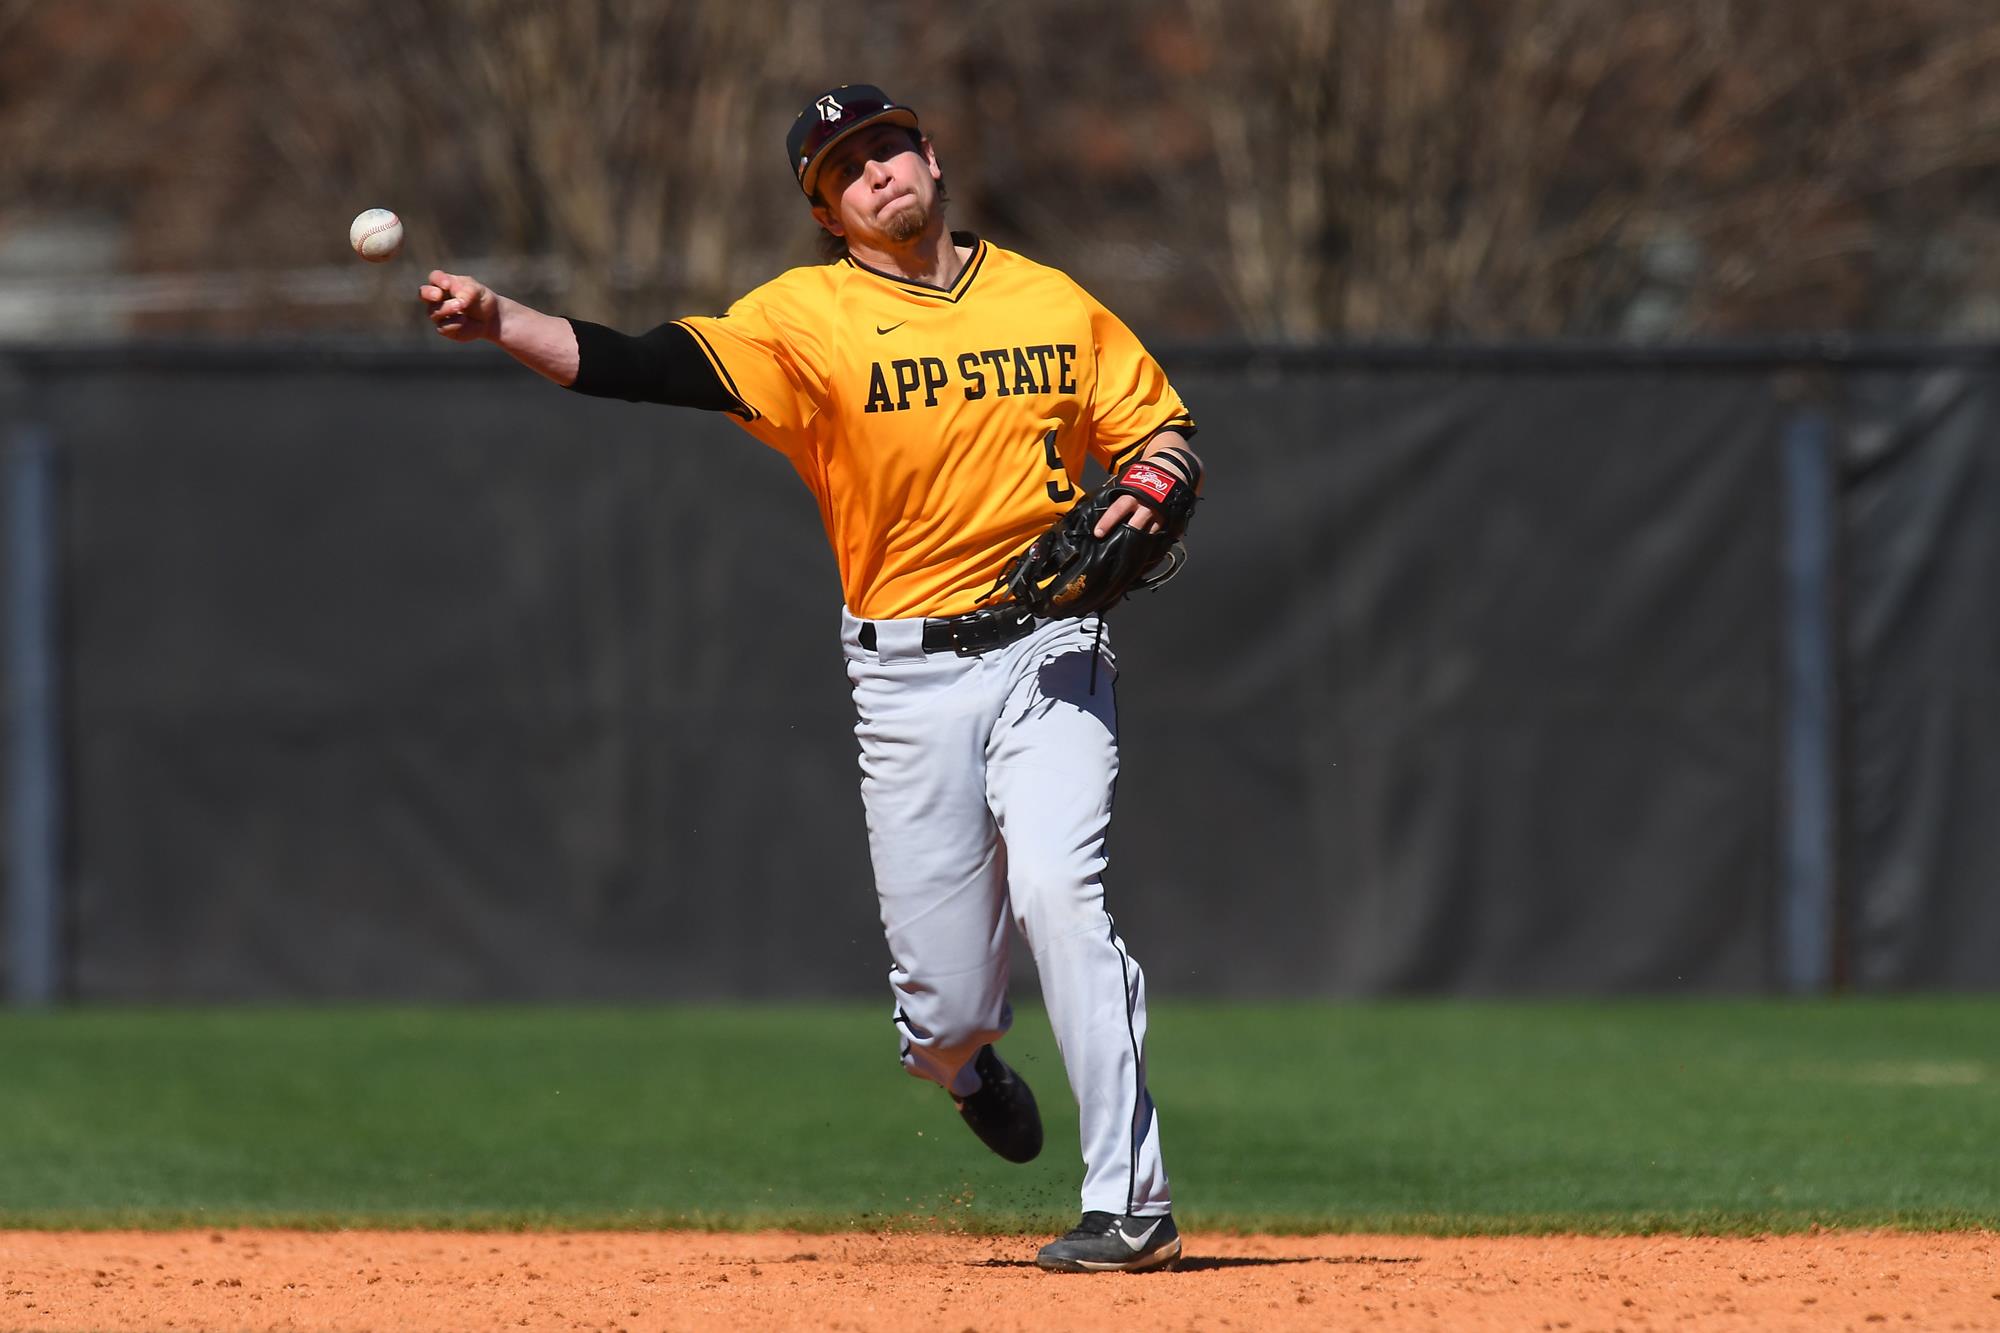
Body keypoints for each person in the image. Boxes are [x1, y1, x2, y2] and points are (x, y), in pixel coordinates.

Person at [419, 83, 1204, 1274]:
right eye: (845, 169)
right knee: (943, 1010)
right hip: (905, 680)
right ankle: (963, 1069)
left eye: (887, 147)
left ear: (930, 156)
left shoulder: (1051, 299)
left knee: (1060, 891)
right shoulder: (803, 319)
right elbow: (647, 363)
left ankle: (1129, 1204)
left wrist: (1156, 474)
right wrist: (503, 320)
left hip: (1049, 647)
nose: (876, 172)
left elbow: (1160, 433)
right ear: (827, 213)